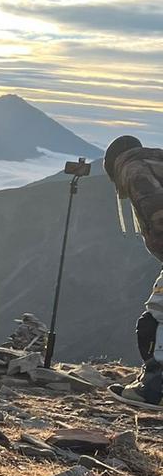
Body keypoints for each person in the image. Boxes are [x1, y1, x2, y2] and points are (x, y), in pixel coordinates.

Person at [104, 135, 163, 406]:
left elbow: (155, 207)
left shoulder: (133, 169)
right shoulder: (155, 162)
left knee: (156, 316)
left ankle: (153, 388)